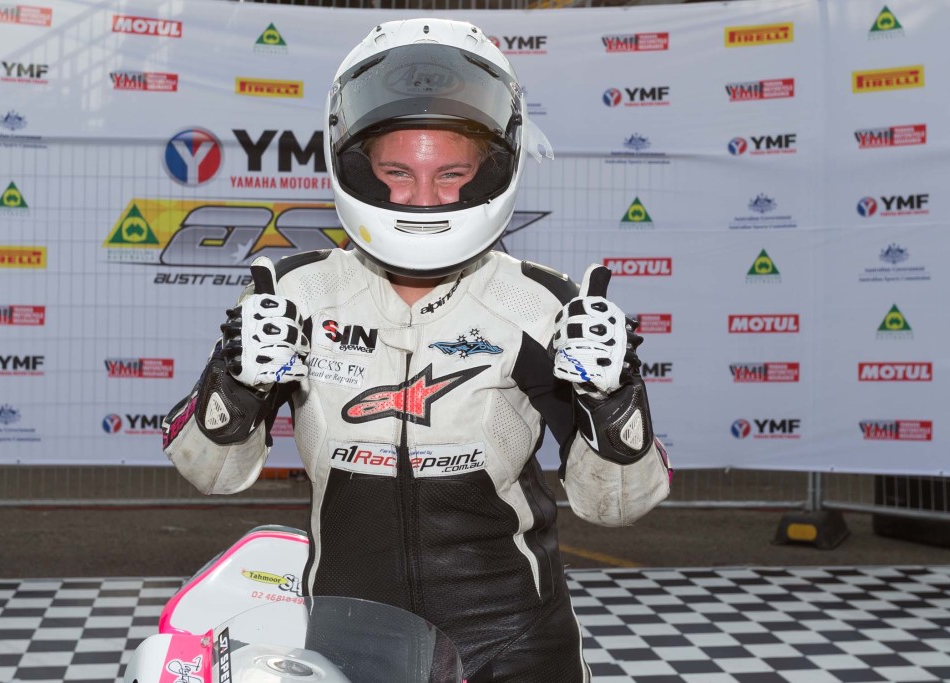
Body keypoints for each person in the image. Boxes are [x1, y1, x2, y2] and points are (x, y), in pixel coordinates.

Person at [162, 18, 671, 683]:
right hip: (350, 634)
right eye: (397, 172)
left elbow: (618, 506)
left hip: (513, 639)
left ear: (491, 170)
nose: (423, 197)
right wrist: (236, 383)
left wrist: (616, 398)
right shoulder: (295, 294)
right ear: (356, 168)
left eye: (451, 173)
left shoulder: (541, 304)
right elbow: (213, 474)